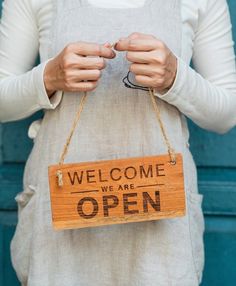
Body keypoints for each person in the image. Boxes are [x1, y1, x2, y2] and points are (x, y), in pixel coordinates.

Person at [0, 0, 236, 285]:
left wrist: (176, 77)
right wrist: (49, 76)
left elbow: (226, 114)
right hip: (62, 212)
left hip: (159, 215)